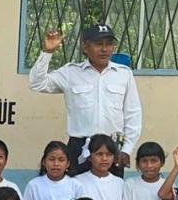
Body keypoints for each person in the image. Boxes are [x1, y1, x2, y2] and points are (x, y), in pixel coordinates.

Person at [28, 24, 142, 176]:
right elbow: (37, 83)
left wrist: (127, 149)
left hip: (111, 148)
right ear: (85, 47)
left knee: (111, 196)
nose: (104, 49)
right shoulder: (71, 72)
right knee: (77, 197)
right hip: (79, 147)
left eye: (109, 44)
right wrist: (47, 52)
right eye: (98, 44)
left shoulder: (124, 74)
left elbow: (133, 115)